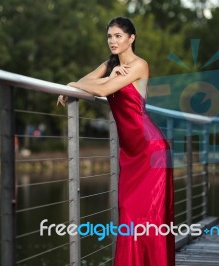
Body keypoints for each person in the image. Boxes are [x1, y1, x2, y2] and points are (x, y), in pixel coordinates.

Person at [58, 17, 175, 266]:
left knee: (149, 218)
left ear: (131, 38)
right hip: (130, 153)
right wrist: (99, 78)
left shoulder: (139, 65)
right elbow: (85, 82)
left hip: (151, 150)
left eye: (118, 36)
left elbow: (98, 90)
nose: (113, 40)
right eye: (110, 36)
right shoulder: (110, 64)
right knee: (129, 213)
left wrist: (79, 84)